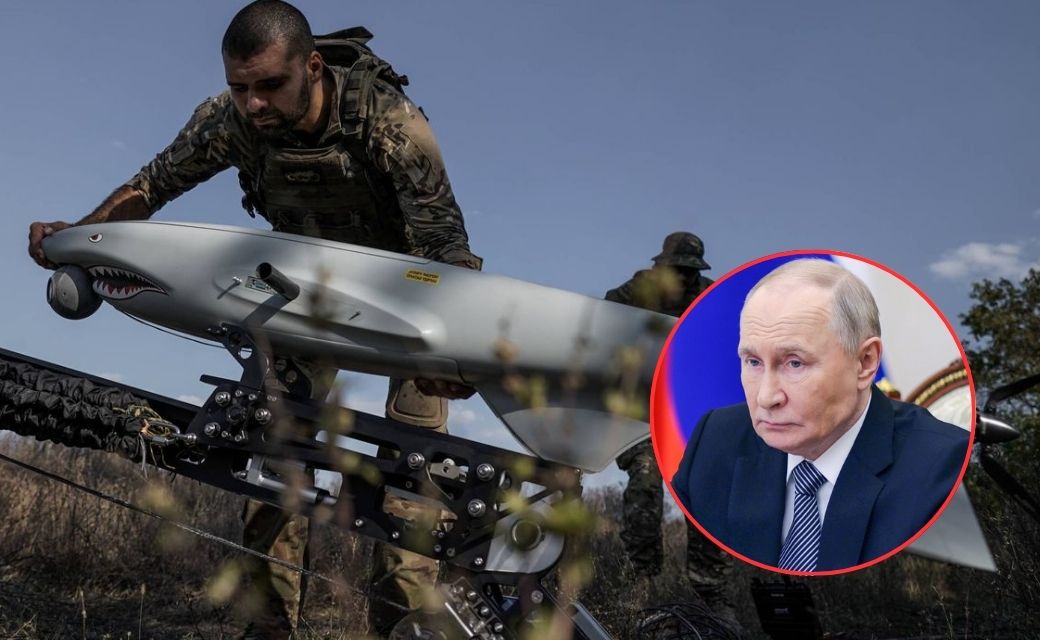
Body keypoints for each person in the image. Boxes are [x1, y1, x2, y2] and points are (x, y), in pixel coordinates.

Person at [27, 1, 480, 637]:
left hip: (409, 300)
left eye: (269, 85)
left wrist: (458, 350)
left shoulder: (388, 121)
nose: (254, 104)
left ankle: (406, 626)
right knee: (271, 448)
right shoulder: (230, 120)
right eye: (240, 88)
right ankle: (267, 624)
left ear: (313, 67)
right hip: (302, 293)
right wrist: (78, 237)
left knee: (416, 471)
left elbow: (445, 245)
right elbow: (150, 187)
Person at [671, 259, 970, 572]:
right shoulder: (713, 440)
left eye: (795, 363)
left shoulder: (945, 469)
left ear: (865, 362)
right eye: (753, 362)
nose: (766, 397)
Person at [606, 232, 736, 618]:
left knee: (708, 492)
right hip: (642, 413)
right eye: (675, 269)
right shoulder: (639, 289)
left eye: (688, 271)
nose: (682, 277)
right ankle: (641, 581)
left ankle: (712, 594)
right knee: (646, 480)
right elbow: (605, 319)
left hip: (689, 414)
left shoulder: (711, 297)